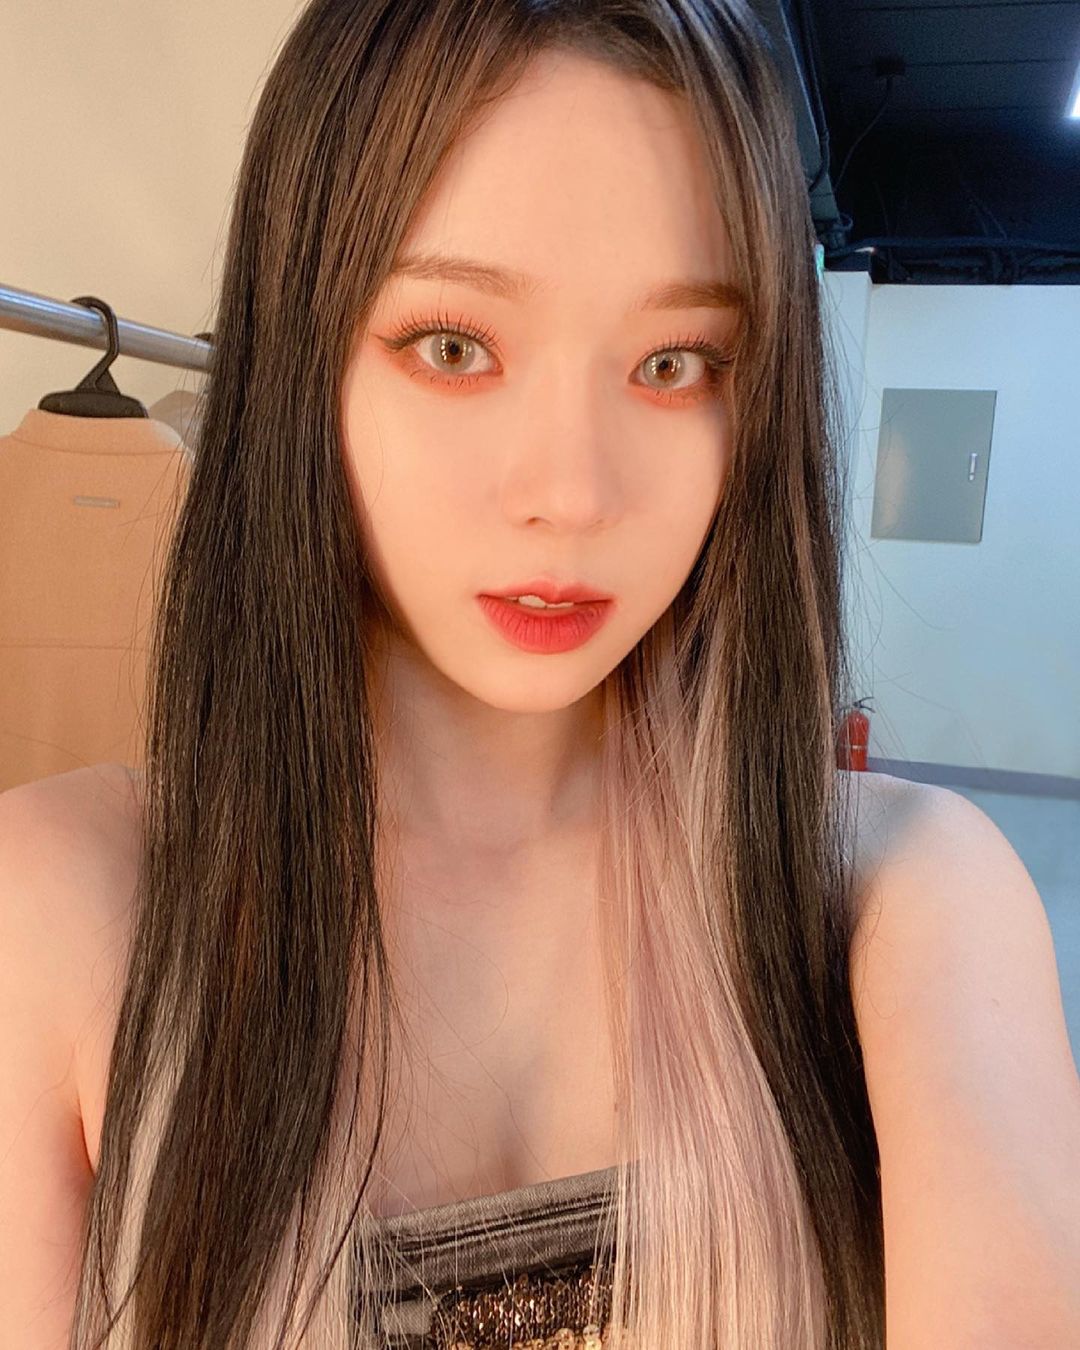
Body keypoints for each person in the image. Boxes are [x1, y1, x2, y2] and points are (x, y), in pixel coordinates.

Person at [7, 2, 1076, 1348]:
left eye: (673, 364)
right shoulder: (57, 909)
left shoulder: (902, 896)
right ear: (299, 364)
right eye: (454, 346)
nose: (572, 493)